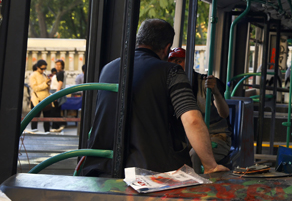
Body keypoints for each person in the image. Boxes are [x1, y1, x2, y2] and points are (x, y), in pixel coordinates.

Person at [82, 19, 229, 176]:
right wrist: (210, 165)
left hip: (100, 168)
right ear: (166, 49)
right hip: (151, 171)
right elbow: (192, 119)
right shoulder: (171, 72)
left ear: (138, 40)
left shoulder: (108, 68)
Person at [167, 47, 233, 172]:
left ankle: (198, 187)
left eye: (180, 61)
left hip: (216, 135)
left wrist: (215, 92)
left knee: (196, 154)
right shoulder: (170, 86)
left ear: (190, 63)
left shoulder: (206, 83)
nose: (176, 66)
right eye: (173, 62)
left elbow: (224, 113)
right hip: (187, 137)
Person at [28, 60, 53, 132]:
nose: (43, 70)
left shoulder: (44, 75)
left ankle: (47, 131)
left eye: (44, 68)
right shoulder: (33, 75)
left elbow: (47, 87)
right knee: (35, 118)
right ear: (37, 67)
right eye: (42, 69)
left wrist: (48, 83)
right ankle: (34, 132)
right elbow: (35, 88)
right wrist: (45, 84)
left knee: (47, 118)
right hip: (37, 100)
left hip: (46, 98)